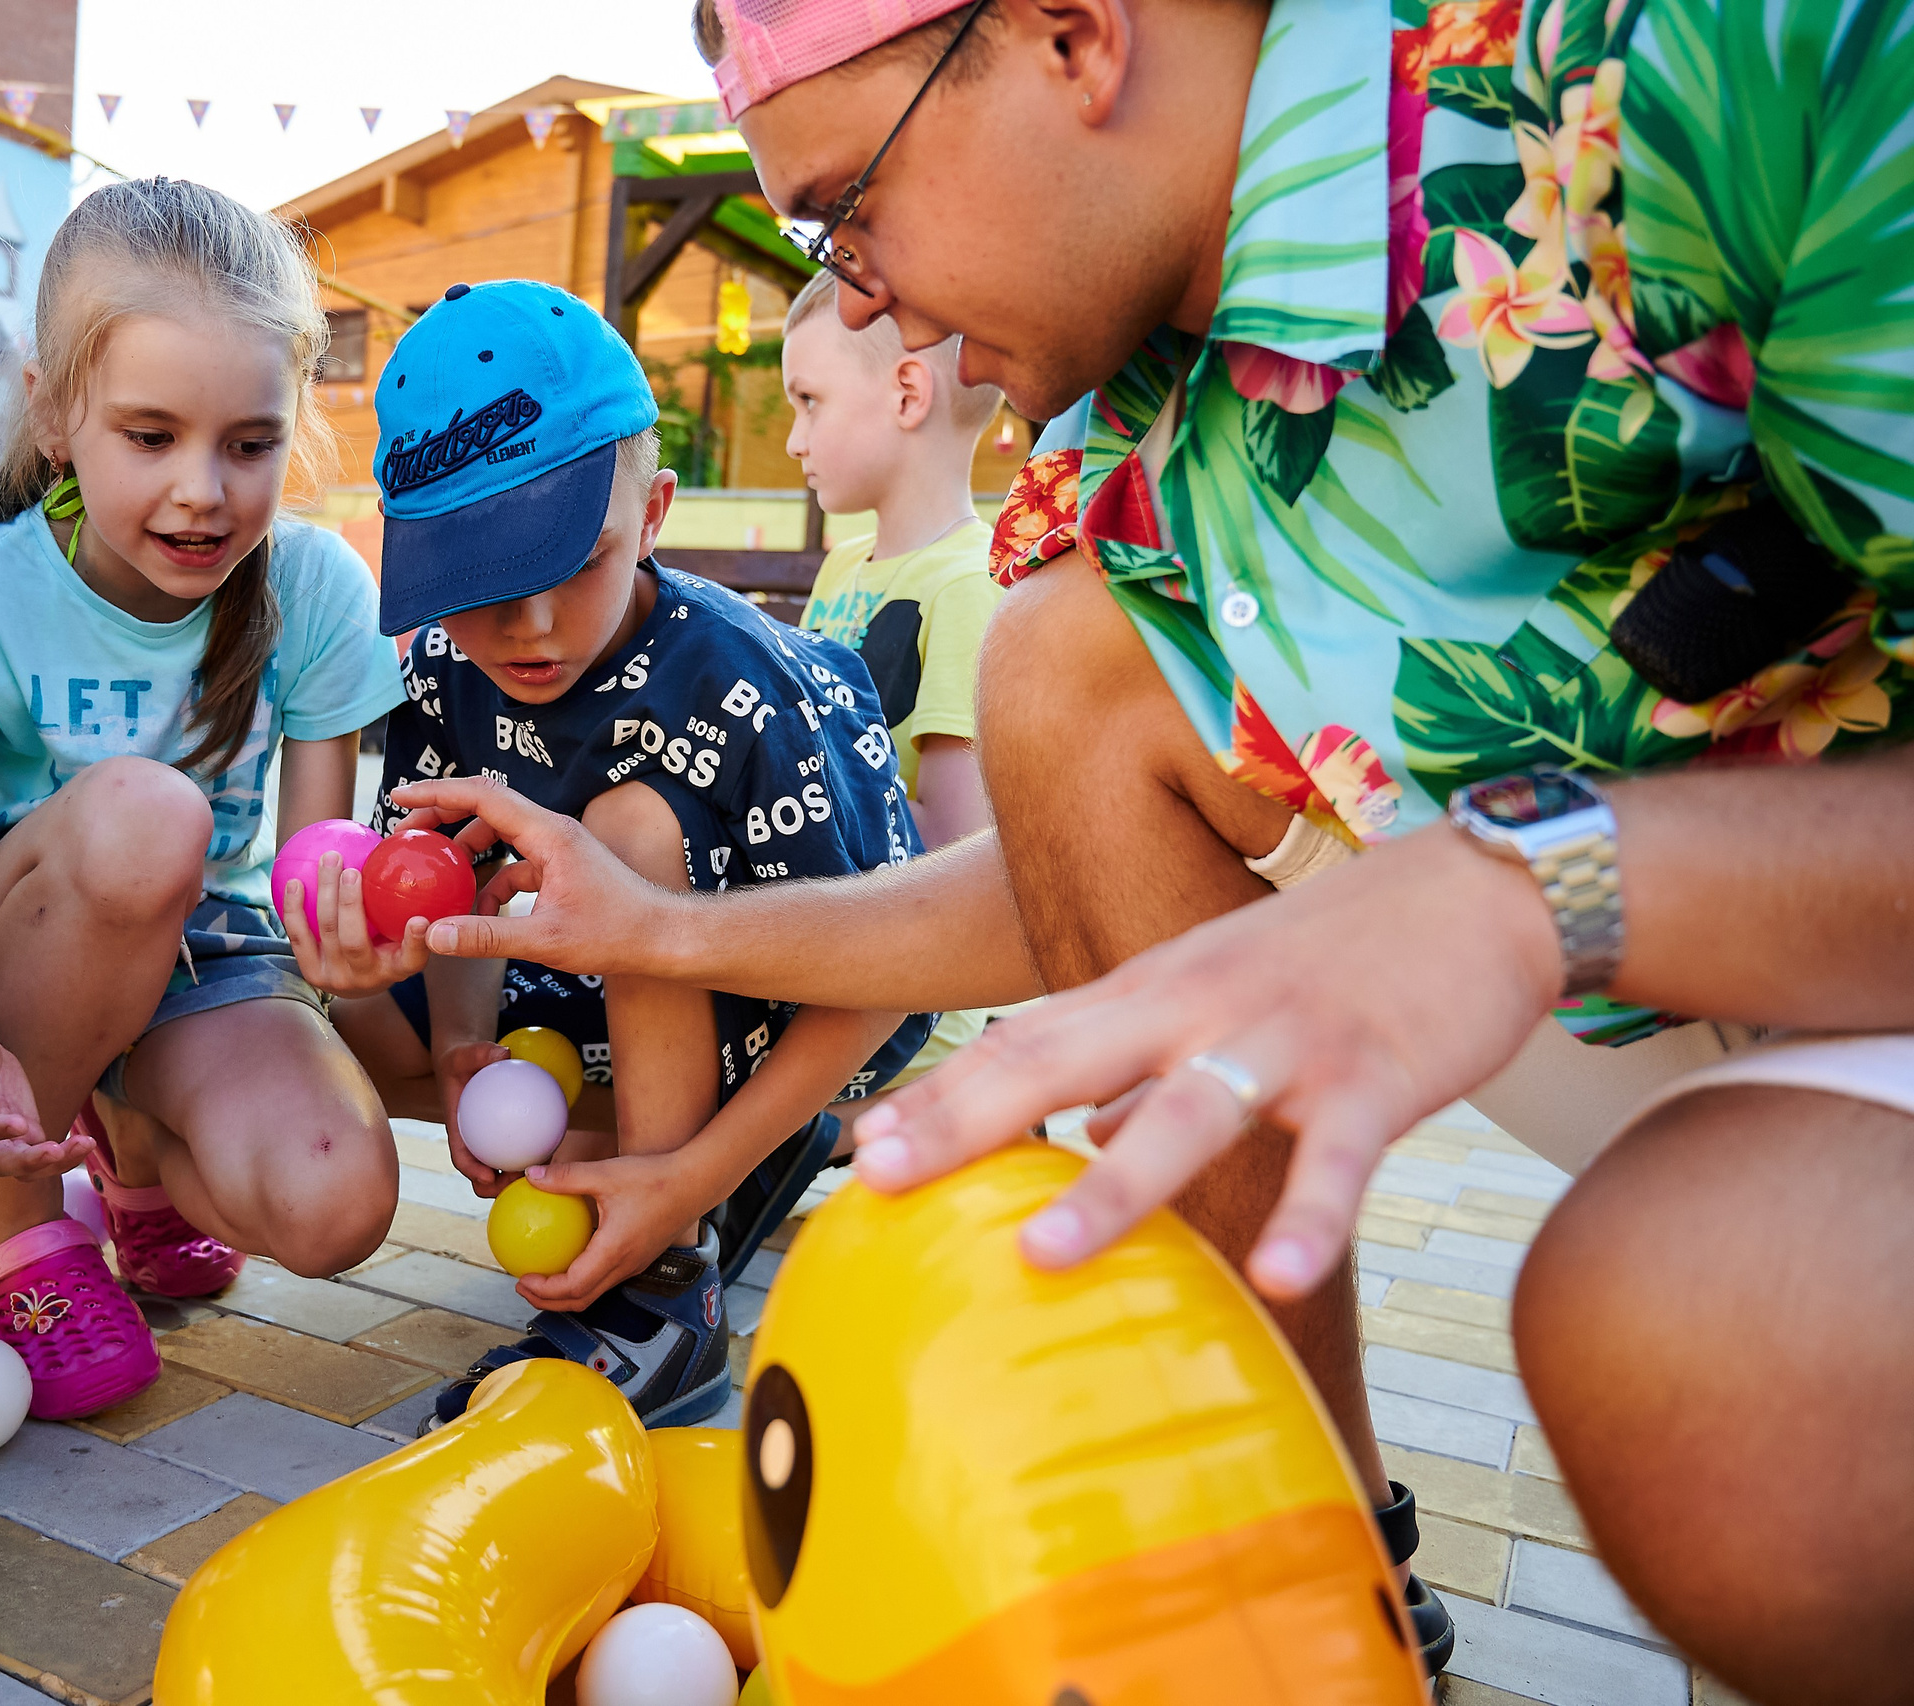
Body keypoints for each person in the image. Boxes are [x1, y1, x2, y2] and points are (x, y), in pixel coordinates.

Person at [382, 0, 1914, 1694]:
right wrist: (654, 935)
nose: (873, 308)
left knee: (1731, 1364)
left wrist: (1518, 882)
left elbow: (1468, 902)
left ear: (1069, 35)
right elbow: (1058, 902)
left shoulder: (1724, 63)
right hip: (1608, 949)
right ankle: (1319, 1562)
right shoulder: (1118, 426)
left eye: (853, 219)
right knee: (1067, 673)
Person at [301, 280, 935, 1432]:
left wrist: (684, 1182)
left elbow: (886, 974)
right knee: (333, 999)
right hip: (594, 989)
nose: (528, 628)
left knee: (630, 828)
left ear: (651, 516)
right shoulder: (442, 668)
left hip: (809, 989)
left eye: (573, 565)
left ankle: (672, 1285)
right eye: (486, 586)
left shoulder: (738, 688)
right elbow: (447, 870)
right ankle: (718, 1160)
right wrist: (458, 1044)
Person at [0, 177, 408, 1423]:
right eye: (150, 437)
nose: (203, 490)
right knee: (151, 816)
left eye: (249, 443)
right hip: (14, 951)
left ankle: (138, 1160)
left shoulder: (312, 586)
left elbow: (316, 858)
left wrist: (353, 937)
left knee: (336, 1204)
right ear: (56, 415)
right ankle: (21, 1215)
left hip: (202, 951)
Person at [784, 266, 1010, 1091]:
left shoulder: (970, 586)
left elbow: (955, 842)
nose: (793, 439)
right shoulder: (843, 568)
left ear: (908, 394)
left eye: (809, 401)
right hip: (826, 937)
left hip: (909, 995)